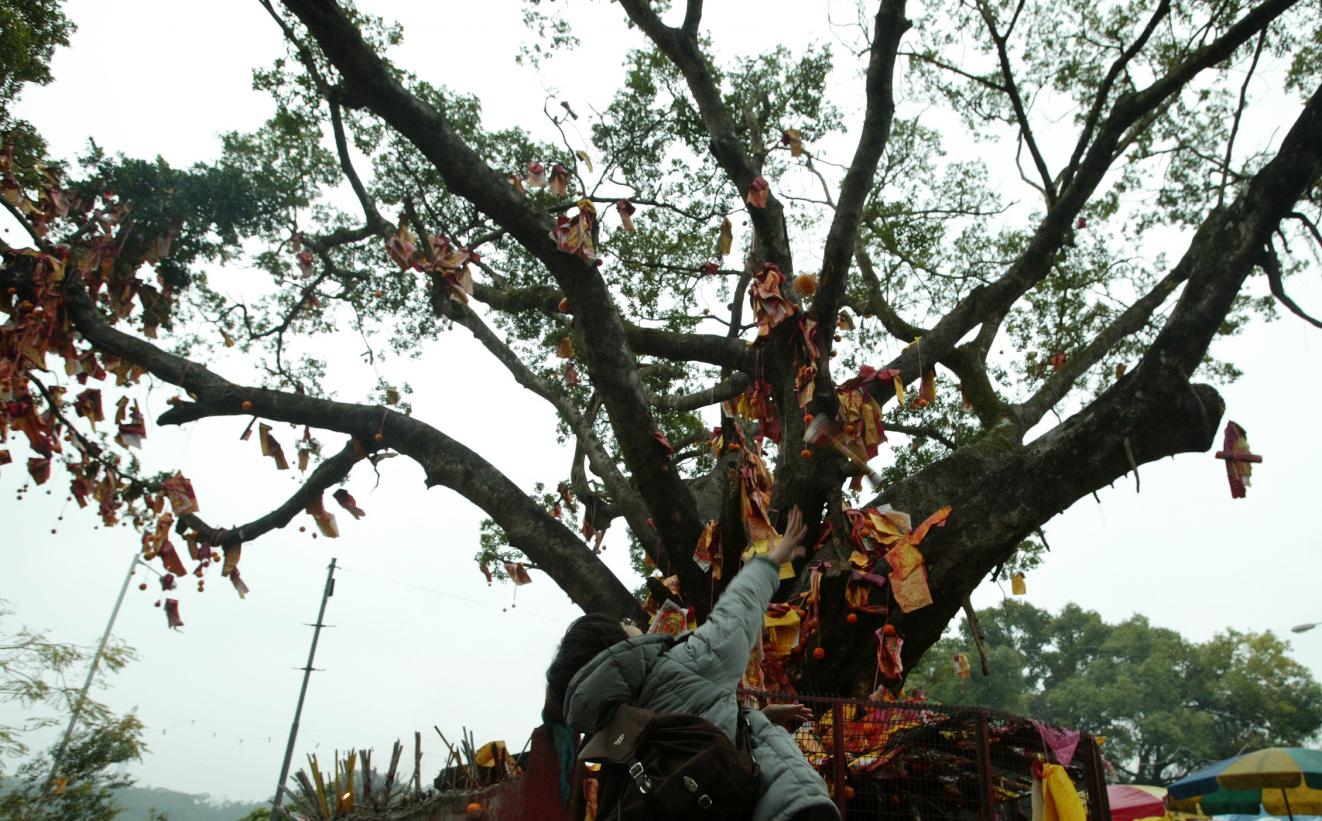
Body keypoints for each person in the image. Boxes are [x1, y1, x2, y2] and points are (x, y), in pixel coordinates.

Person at [544, 507, 841, 821]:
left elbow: (694, 736)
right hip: (782, 807)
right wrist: (770, 560)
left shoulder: (611, 745)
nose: (633, 625)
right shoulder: (685, 664)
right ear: (613, 645)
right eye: (626, 623)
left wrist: (753, 718)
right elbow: (737, 611)